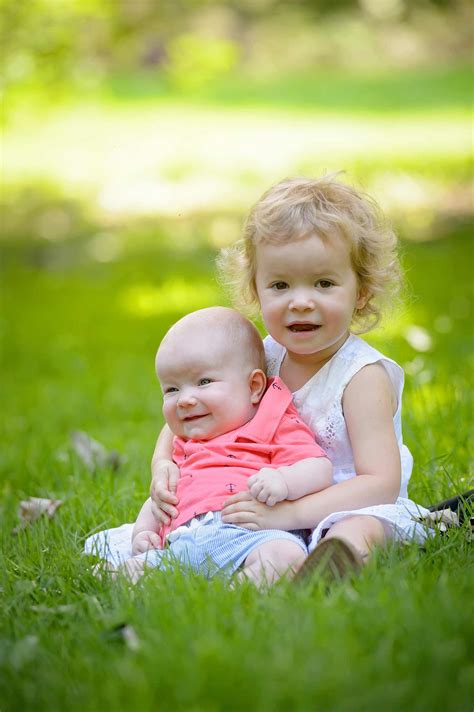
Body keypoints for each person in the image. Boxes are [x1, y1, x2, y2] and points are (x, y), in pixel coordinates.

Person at [150, 175, 433, 581]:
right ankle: (245, 570)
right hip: (266, 499)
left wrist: (292, 514)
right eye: (280, 285)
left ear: (362, 292)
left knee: (359, 528)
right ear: (256, 290)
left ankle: (329, 566)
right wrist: (162, 464)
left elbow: (380, 483)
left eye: (324, 283)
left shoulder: (361, 376)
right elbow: (187, 411)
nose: (301, 302)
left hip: (345, 504)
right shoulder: (262, 356)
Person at [87, 306, 332, 585]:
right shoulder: (184, 442)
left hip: (252, 533)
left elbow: (320, 468)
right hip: (186, 540)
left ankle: (239, 592)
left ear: (253, 387)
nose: (185, 400)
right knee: (128, 570)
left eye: (203, 382)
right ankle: (135, 575)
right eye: (172, 389)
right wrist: (144, 531)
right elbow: (163, 498)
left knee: (285, 555)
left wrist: (284, 480)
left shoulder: (272, 420)